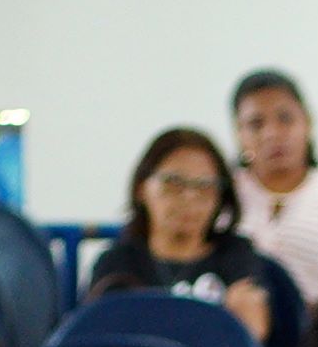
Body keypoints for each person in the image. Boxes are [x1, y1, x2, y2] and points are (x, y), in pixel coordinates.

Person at [228, 69, 318, 320]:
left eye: (285, 119)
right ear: (239, 135)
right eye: (256, 124)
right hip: (239, 330)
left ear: (308, 123)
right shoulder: (224, 191)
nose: (272, 133)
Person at [87, 123, 271, 318]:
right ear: (141, 188)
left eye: (205, 186)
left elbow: (252, 329)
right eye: (173, 183)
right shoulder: (116, 263)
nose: (189, 198)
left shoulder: (236, 254)